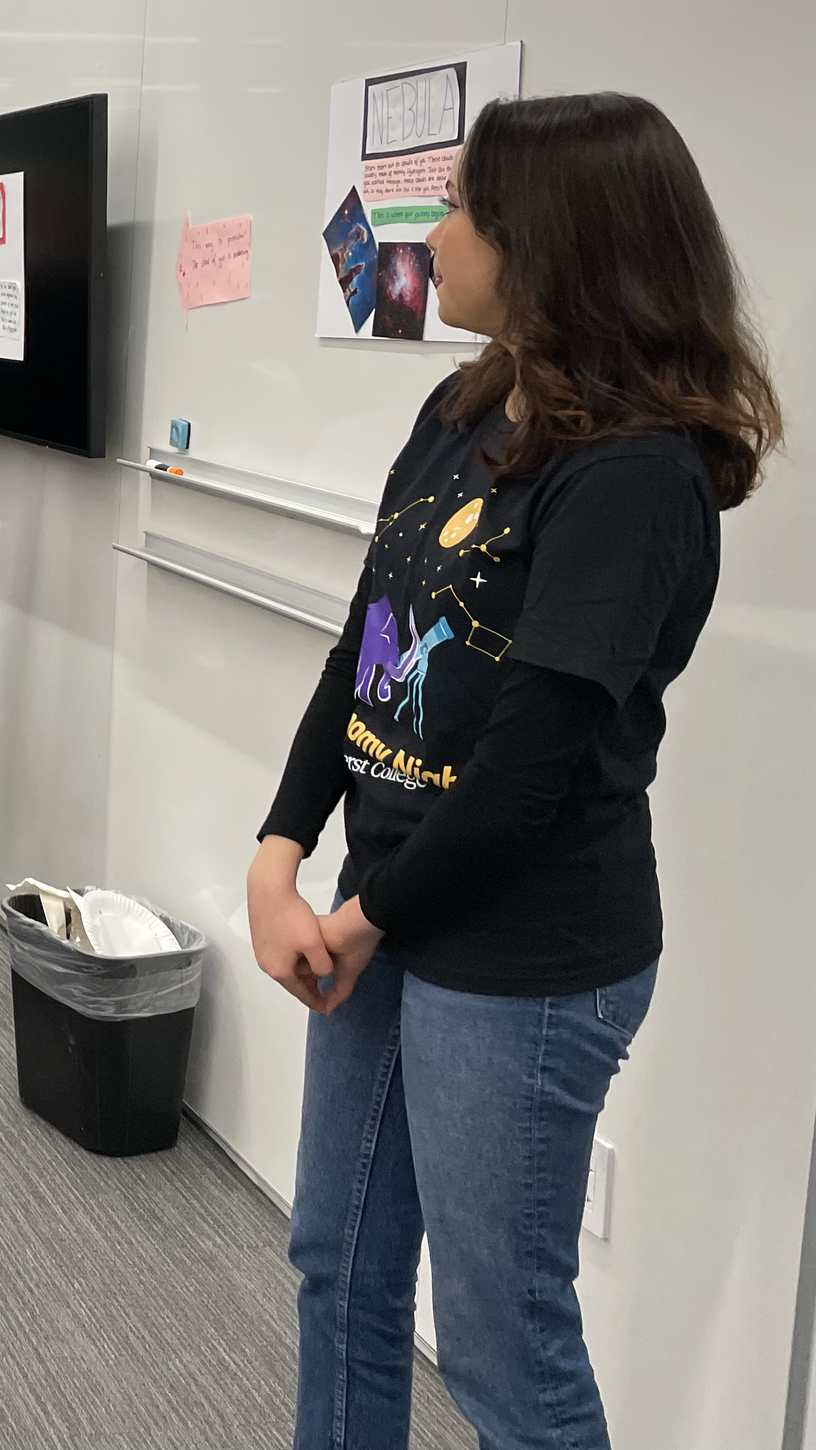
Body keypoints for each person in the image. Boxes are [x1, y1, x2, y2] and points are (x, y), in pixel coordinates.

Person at [245, 93, 780, 1449]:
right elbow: (369, 641)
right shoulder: (464, 402)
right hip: (391, 903)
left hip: (526, 951)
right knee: (339, 1267)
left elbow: (531, 768)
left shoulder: (638, 474)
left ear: (547, 241)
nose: (435, 233)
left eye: (461, 207)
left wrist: (363, 917)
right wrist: (279, 847)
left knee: (499, 1345)